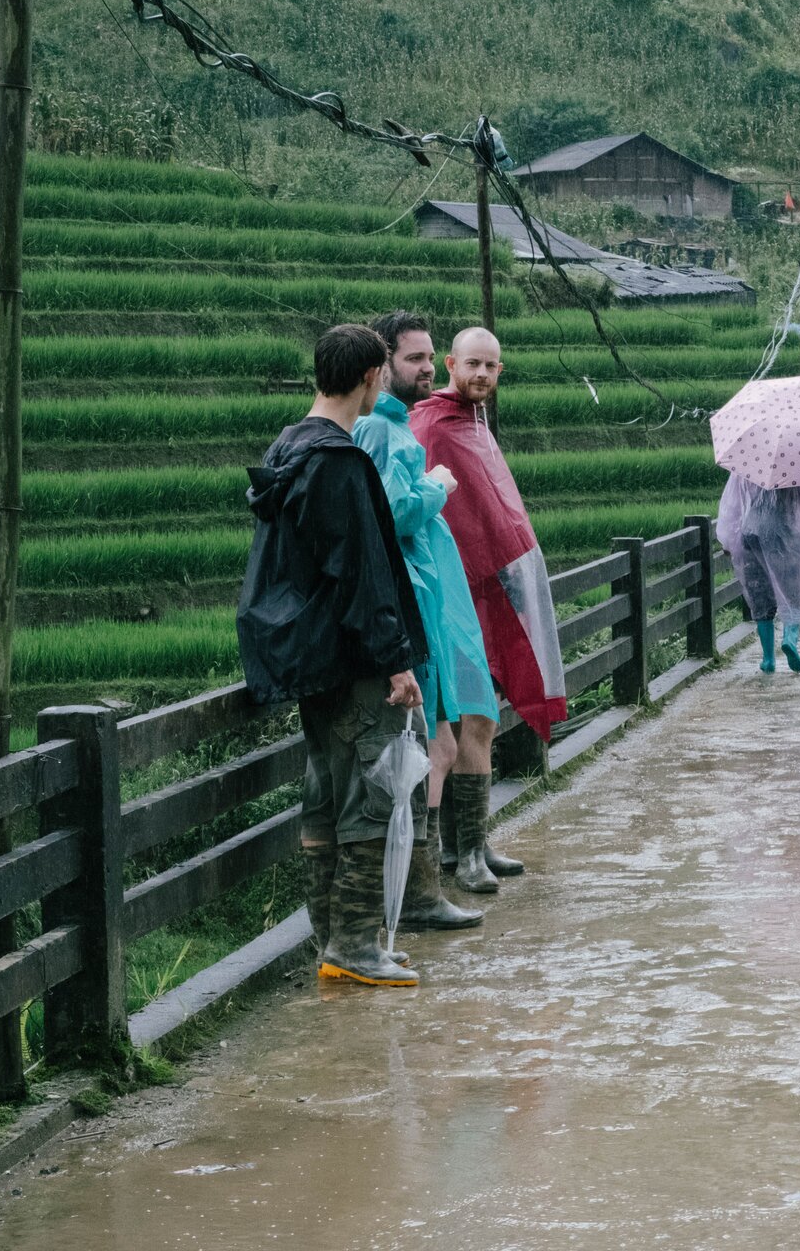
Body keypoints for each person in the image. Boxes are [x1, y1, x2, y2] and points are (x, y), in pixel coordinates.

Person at [237, 323, 428, 988]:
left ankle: (333, 940)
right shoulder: (340, 462)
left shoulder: (289, 447)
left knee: (324, 795)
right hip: (351, 660)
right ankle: (354, 942)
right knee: (369, 797)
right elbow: (363, 574)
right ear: (373, 375)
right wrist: (397, 661)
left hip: (306, 655)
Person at [353, 309, 502, 933]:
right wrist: (438, 487)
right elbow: (393, 515)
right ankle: (421, 890)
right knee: (434, 744)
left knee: (443, 737)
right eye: (414, 358)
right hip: (416, 598)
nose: (422, 368)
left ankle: (440, 873)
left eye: (425, 357)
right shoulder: (389, 433)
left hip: (430, 595)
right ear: (380, 365)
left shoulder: (392, 427)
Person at [410, 327, 566, 895]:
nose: (481, 375)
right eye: (471, 364)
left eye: (491, 367)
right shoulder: (431, 424)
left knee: (477, 720)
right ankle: (466, 854)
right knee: (473, 719)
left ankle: (467, 846)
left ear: (501, 371)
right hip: (452, 597)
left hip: (483, 593)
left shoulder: (474, 424)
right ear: (452, 364)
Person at [717, 474, 800, 673]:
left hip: (753, 535)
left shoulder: (746, 467)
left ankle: (768, 659)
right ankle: (790, 639)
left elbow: (731, 507)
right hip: (790, 535)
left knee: (760, 598)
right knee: (798, 594)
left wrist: (727, 541)